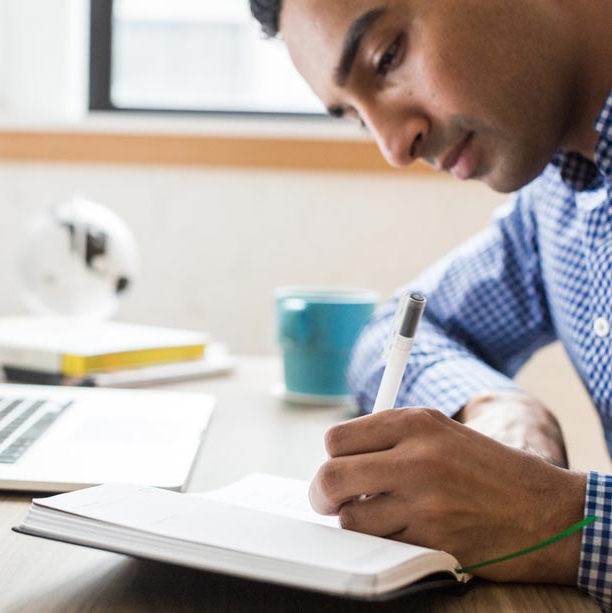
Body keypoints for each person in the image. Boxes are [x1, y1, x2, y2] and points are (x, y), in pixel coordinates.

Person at [249, 0, 612, 608]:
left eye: (387, 56)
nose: (394, 146)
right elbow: (393, 329)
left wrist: (555, 521)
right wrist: (499, 409)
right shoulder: (555, 201)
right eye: (356, 117)